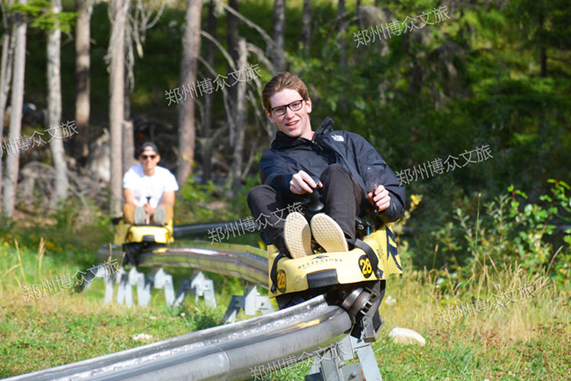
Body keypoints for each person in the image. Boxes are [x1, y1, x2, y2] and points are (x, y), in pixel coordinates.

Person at [247, 72, 406, 258]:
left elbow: (393, 194)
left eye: (295, 105)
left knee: (335, 172)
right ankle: (299, 248)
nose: (289, 115)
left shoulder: (349, 141)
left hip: (357, 227)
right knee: (256, 194)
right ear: (271, 116)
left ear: (308, 105)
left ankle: (340, 243)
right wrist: (290, 184)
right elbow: (275, 178)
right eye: (280, 110)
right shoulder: (272, 159)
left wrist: (386, 203)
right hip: (305, 228)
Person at [123, 142, 179, 226]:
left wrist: (154, 211)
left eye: (152, 157)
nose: (148, 160)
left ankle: (158, 220)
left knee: (168, 209)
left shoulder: (167, 175)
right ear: (140, 159)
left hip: (157, 212)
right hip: (137, 212)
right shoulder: (131, 174)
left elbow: (169, 202)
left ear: (158, 158)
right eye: (145, 157)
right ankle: (139, 220)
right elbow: (129, 199)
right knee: (127, 208)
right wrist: (142, 210)